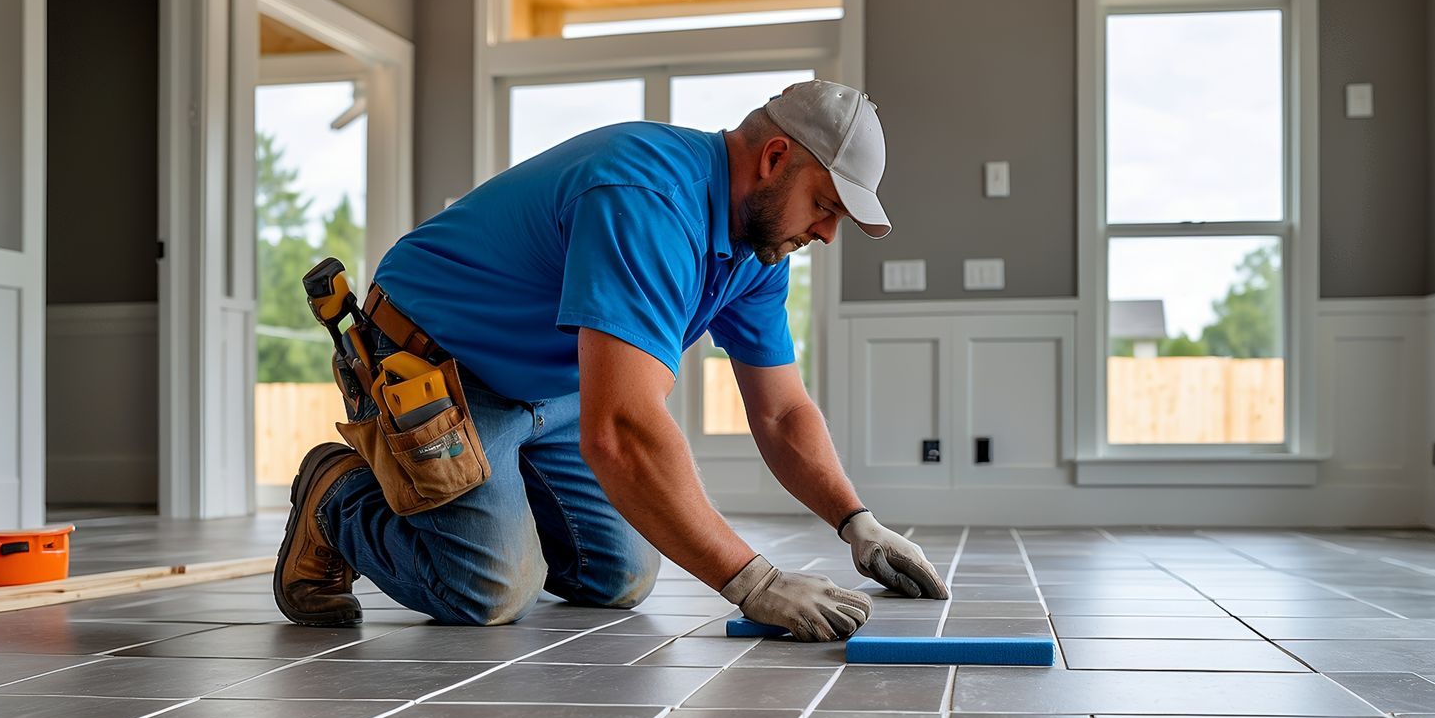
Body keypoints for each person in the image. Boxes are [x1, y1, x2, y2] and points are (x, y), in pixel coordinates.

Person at [273, 80, 948, 642]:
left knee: (618, 575)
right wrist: (754, 581)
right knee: (487, 588)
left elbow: (782, 410)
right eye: (825, 206)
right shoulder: (648, 198)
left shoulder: (756, 250)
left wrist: (857, 523)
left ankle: (493, 500)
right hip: (437, 366)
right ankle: (336, 495)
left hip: (550, 385)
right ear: (775, 158)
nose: (827, 233)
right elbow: (620, 427)